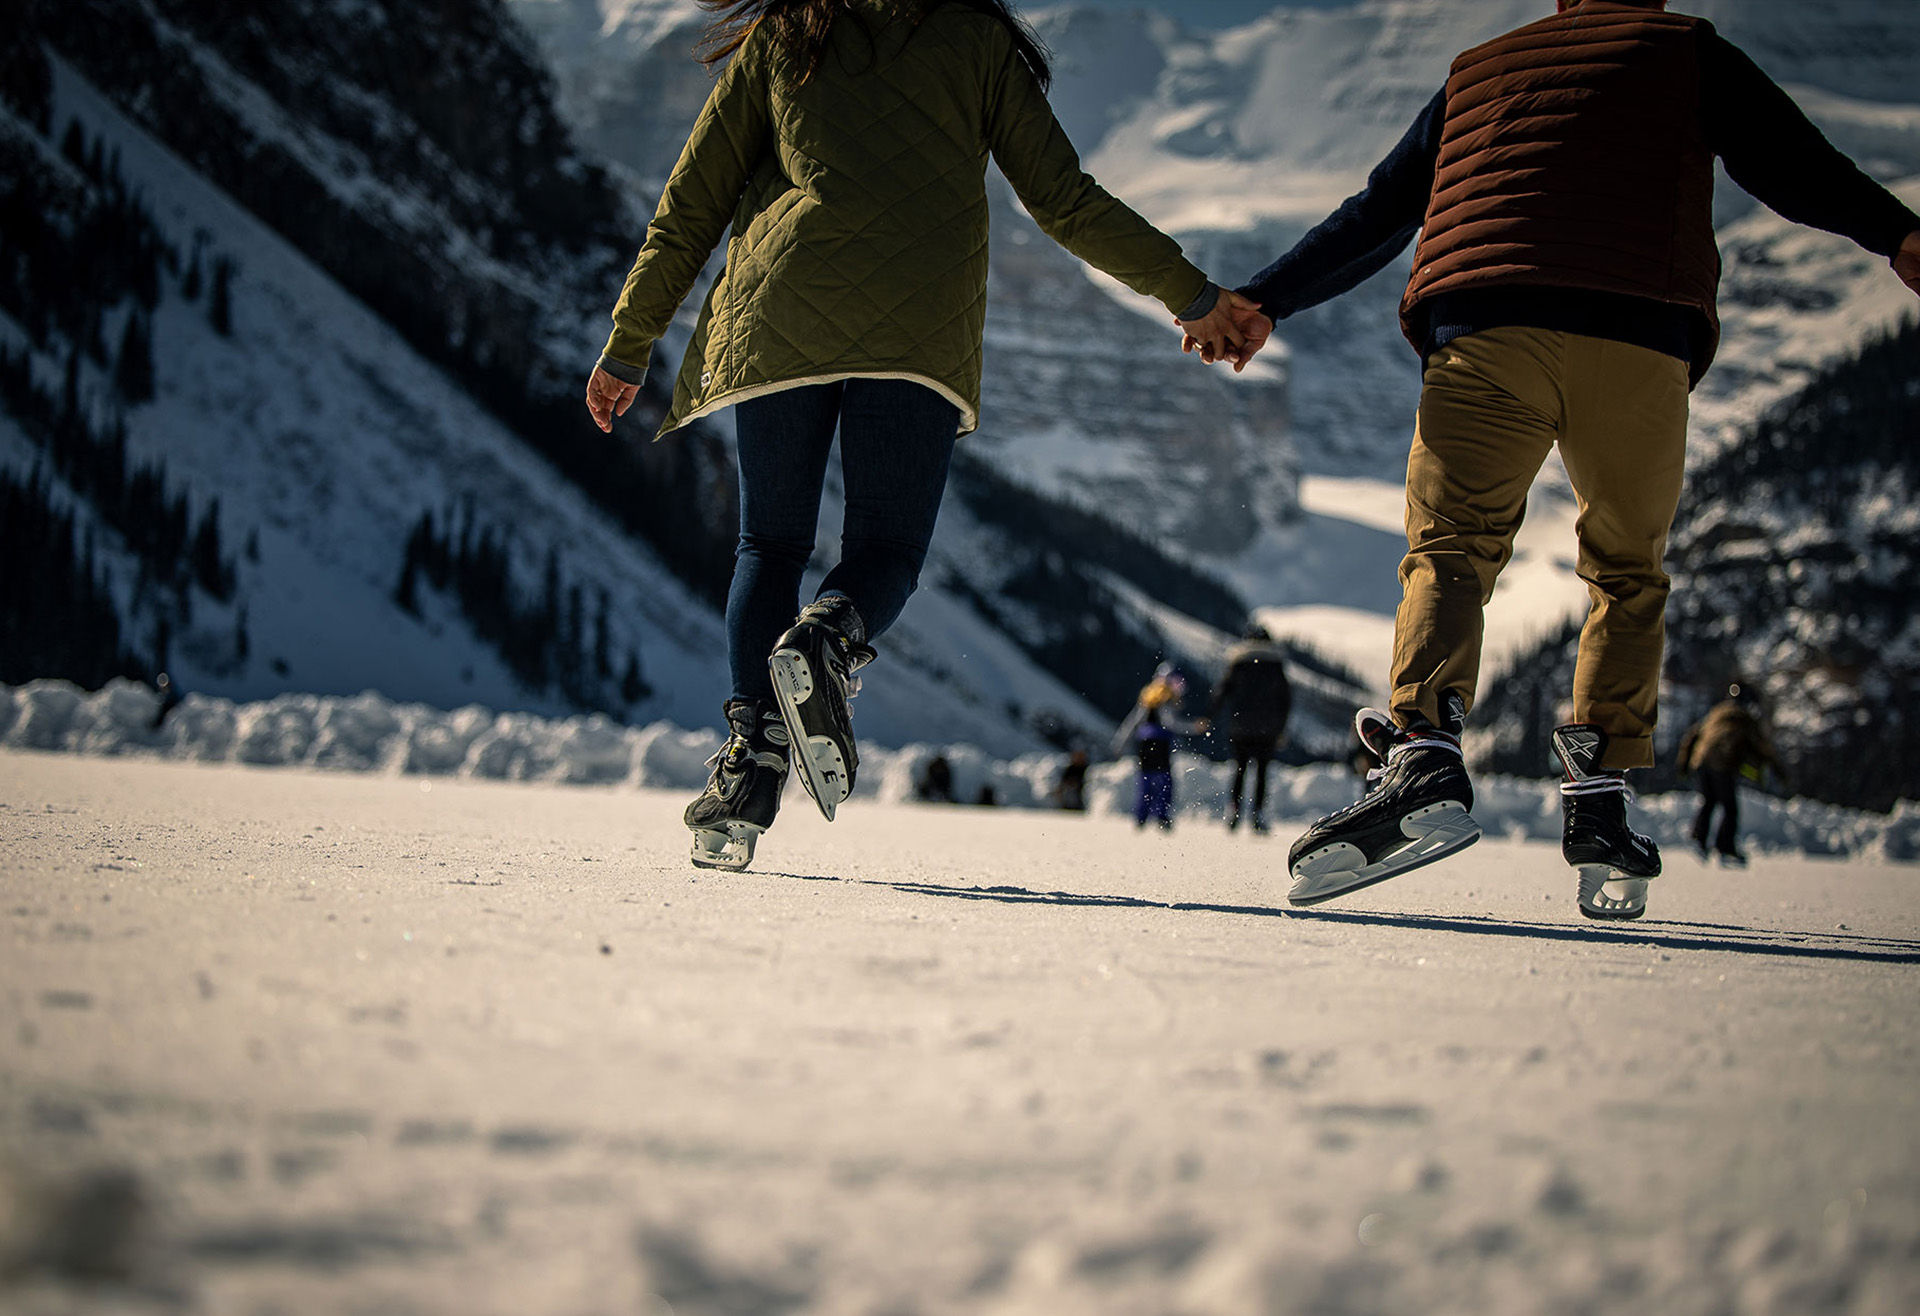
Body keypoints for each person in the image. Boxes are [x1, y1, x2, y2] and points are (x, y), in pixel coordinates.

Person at [1200, 0, 1920, 920]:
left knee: (1451, 552)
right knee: (1628, 572)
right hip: (1639, 335)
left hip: (1487, 326)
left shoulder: (1478, 69)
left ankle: (1423, 753)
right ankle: (1600, 800)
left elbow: (1383, 210)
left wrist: (1266, 299)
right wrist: (1895, 231)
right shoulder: (1685, 50)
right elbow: (1788, 162)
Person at [585, 0, 1257, 871]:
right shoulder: (976, 39)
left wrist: (629, 343)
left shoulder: (786, 32)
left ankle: (750, 767)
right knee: (888, 548)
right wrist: (1193, 296)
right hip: (919, 332)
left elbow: (692, 205)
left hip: (781, 312)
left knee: (770, 543)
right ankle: (829, 636)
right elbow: (1062, 198)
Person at [1677, 683, 1779, 867]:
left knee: (1708, 802)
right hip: (1722, 762)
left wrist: (1683, 764)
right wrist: (1777, 769)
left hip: (1700, 761)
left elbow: (1692, 736)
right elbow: (1760, 746)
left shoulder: (1716, 712)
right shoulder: (1743, 718)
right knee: (1730, 807)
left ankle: (1699, 840)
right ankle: (1725, 847)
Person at [1206, 621, 1293, 833]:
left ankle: (1233, 811)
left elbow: (1220, 693)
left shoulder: (1238, 663)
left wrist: (1210, 716)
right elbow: (1285, 700)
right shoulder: (1275, 665)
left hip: (1240, 726)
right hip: (1268, 728)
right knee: (1262, 772)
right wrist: (1281, 728)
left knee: (1239, 769)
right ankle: (1258, 814)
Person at [1111, 667, 1194, 831]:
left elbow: (1132, 722)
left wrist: (1119, 742)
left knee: (1145, 780)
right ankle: (1161, 816)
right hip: (1160, 744)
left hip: (1144, 744)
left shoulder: (1148, 698)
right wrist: (1194, 728)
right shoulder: (1166, 699)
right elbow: (1170, 723)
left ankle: (1141, 817)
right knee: (1164, 781)